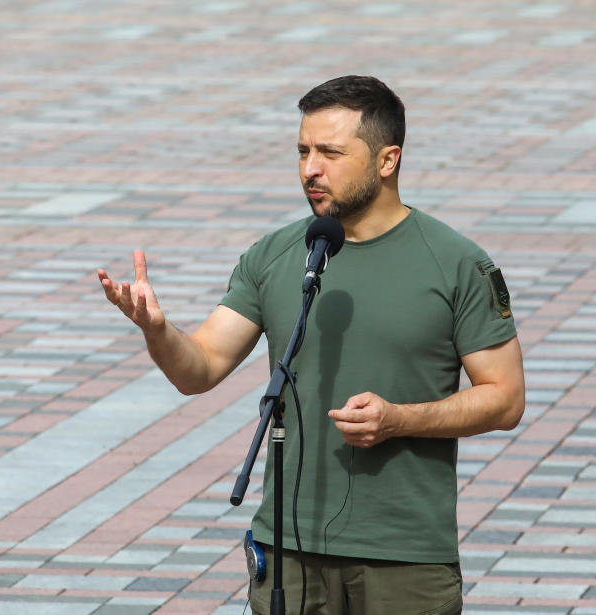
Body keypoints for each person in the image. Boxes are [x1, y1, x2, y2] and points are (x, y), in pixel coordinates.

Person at [98, 75, 525, 615]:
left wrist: (399, 418)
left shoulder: (457, 263)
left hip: (404, 558)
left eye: (330, 152)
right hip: (288, 554)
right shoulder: (278, 254)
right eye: (302, 151)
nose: (309, 170)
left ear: (387, 160)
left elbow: (506, 399)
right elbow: (198, 369)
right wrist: (157, 331)